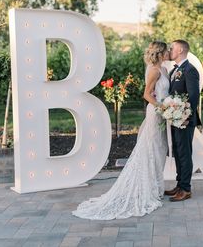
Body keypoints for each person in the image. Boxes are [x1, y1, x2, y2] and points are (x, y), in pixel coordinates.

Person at [72, 41, 170, 220]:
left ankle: (157, 186)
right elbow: (147, 94)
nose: (169, 52)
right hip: (156, 113)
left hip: (163, 113)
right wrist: (162, 107)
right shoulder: (154, 71)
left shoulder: (164, 70)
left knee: (161, 149)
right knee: (154, 149)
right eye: (166, 50)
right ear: (160, 53)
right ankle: (151, 189)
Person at [165, 39, 201, 202]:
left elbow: (193, 97)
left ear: (180, 50)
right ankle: (180, 185)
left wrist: (185, 117)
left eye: (172, 48)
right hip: (175, 118)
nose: (170, 50)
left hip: (185, 120)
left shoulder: (190, 70)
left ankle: (186, 189)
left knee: (185, 154)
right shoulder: (176, 70)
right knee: (179, 153)